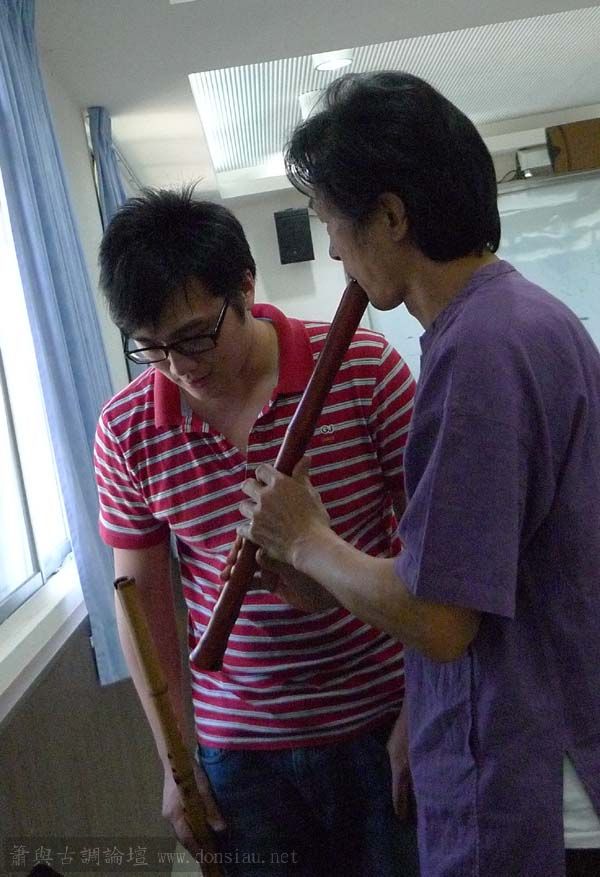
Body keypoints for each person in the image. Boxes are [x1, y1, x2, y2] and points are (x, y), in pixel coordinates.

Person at [235, 73, 600, 877]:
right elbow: (478, 580)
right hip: (535, 751)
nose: (334, 250)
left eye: (331, 222)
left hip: (531, 784)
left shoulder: (481, 348)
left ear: (392, 217)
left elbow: (441, 621)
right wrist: (328, 581)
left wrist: (307, 537)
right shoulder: (522, 320)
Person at [93, 188, 420, 876]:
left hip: (382, 717)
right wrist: (176, 759)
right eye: (151, 347)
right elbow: (143, 604)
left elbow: (442, 556)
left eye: (195, 336)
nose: (180, 366)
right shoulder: (126, 429)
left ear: (245, 286)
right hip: (239, 751)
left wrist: (425, 709)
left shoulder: (364, 369)